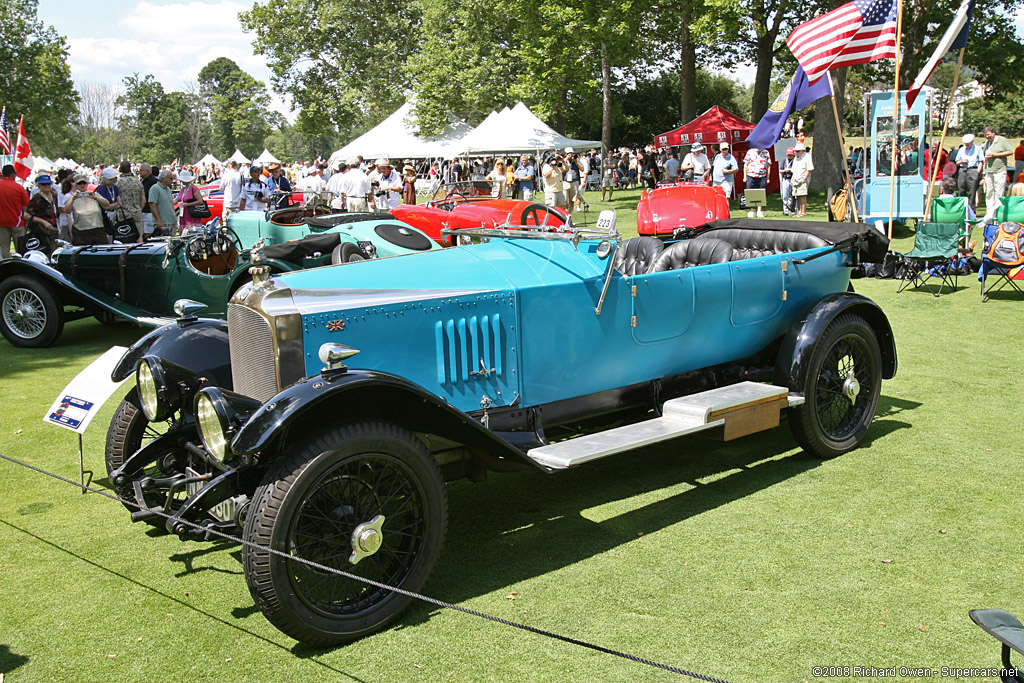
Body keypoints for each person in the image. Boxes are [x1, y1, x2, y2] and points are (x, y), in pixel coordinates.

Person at [65, 174, 111, 245]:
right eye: (79, 183)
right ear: (75, 185)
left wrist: (95, 197)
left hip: (97, 229)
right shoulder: (72, 197)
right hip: (81, 231)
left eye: (84, 183)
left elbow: (106, 204)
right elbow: (67, 211)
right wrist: (73, 198)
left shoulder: (94, 194)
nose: (82, 185)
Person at [982, 125, 1013, 222]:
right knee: (989, 193)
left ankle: (997, 214)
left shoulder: (1002, 140)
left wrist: (995, 155)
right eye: (985, 135)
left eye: (988, 134)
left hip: (999, 170)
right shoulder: (987, 143)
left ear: (993, 133)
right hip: (989, 171)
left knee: (998, 193)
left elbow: (1010, 152)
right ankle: (989, 215)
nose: (986, 136)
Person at [0, 165, 30, 259]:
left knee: (4, 249)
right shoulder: (19, 188)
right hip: (17, 222)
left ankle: (4, 269)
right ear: (13, 174)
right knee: (20, 249)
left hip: (1, 222)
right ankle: (20, 268)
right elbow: (26, 206)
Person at [116, 161, 145, 243]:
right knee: (139, 236)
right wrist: (139, 208)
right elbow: (143, 200)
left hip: (124, 214)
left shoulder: (118, 183)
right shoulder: (138, 182)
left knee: (125, 237)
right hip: (136, 212)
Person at [955, 133, 984, 211]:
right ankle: (962, 209)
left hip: (973, 169)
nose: (967, 145)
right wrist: (961, 161)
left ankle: (972, 211)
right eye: (965, 143)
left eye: (968, 143)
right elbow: (956, 162)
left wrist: (977, 171)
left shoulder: (978, 149)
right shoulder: (961, 150)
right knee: (961, 189)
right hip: (962, 170)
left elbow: (981, 161)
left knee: (972, 191)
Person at [147, 169, 178, 235]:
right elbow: (152, 205)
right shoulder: (155, 188)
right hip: (163, 222)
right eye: (171, 178)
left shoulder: (168, 189)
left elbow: (169, 203)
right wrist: (159, 220)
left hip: (172, 221)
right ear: (164, 179)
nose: (173, 180)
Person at [743, 146, 770, 218]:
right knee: (750, 193)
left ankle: (759, 210)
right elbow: (745, 164)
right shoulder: (750, 152)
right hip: (751, 175)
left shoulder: (766, 152)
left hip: (762, 175)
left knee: (761, 193)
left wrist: (768, 177)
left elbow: (768, 165)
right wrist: (745, 176)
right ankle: (751, 210)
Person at [791, 142, 814, 217]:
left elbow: (809, 168)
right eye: (796, 151)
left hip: (803, 178)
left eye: (798, 151)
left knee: (802, 195)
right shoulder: (795, 158)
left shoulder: (807, 157)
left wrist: (805, 177)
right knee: (797, 195)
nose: (796, 152)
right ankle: (799, 211)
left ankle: (803, 212)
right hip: (796, 178)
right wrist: (792, 179)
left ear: (802, 150)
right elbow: (794, 170)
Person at [139, 163, 160, 236]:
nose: (139, 172)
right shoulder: (142, 181)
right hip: (144, 211)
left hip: (149, 211)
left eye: (141, 170)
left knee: (148, 232)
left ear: (147, 171)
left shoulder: (153, 182)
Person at [779, 147, 795, 217]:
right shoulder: (784, 161)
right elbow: (780, 170)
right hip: (786, 179)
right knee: (785, 195)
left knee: (794, 195)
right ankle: (785, 211)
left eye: (791, 155)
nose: (789, 156)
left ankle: (794, 210)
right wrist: (786, 170)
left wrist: (791, 170)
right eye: (788, 155)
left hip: (793, 179)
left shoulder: (795, 161)